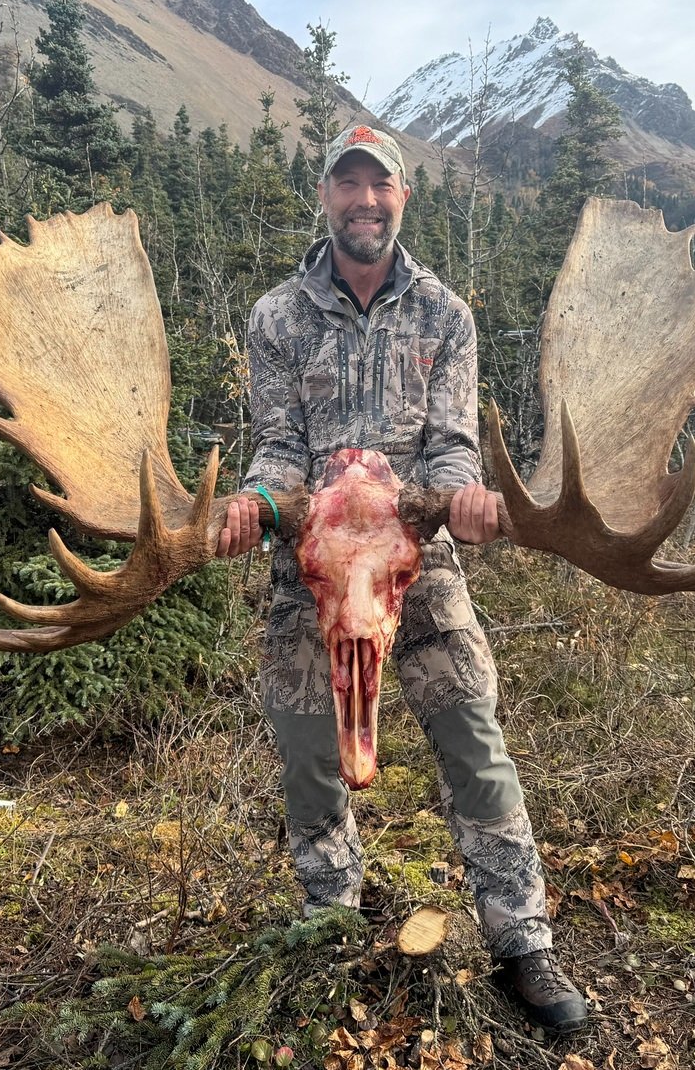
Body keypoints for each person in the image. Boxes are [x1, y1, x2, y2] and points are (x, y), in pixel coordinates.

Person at [216, 125, 588, 1034]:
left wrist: (463, 496)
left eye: (378, 186)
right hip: (310, 568)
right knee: (312, 757)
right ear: (325, 198)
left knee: (473, 736)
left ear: (402, 198)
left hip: (419, 564)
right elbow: (276, 446)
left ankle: (521, 938)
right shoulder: (275, 317)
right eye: (347, 186)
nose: (363, 201)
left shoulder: (446, 315)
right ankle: (331, 920)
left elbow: (454, 446)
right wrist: (257, 500)